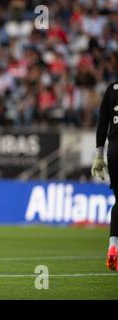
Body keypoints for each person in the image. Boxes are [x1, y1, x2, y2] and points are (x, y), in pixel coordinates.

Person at [91, 81, 118, 271]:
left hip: (114, 151)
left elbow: (103, 122)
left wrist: (99, 155)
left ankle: (113, 246)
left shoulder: (112, 89)